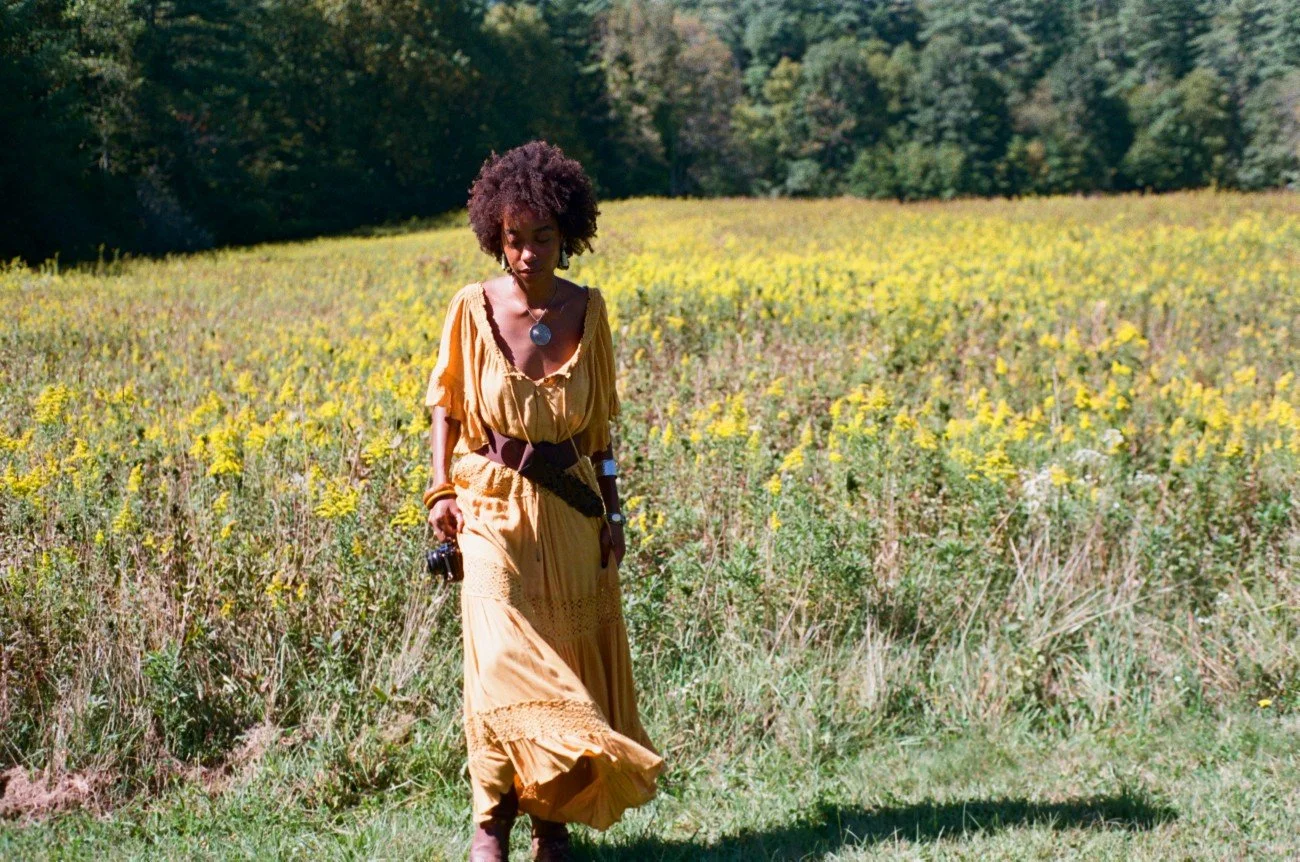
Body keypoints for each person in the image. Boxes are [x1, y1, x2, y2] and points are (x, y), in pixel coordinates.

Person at [424, 140, 664, 862]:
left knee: (561, 653)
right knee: (501, 660)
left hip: (569, 512)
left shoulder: (589, 310)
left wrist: (616, 513)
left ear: (569, 235)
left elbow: (599, 430)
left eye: (542, 239)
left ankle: (549, 826)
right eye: (513, 240)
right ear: (495, 237)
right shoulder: (471, 308)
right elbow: (447, 408)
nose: (526, 255)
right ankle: (489, 821)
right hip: (489, 502)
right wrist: (438, 490)